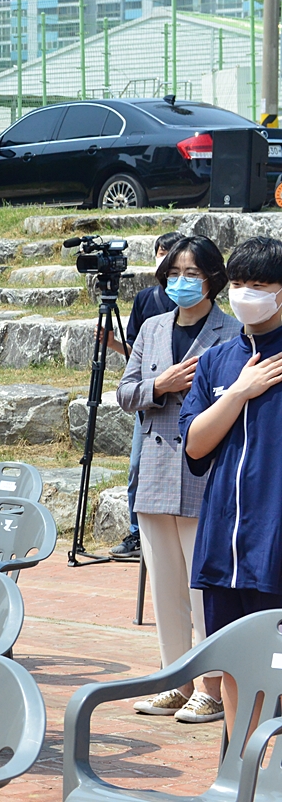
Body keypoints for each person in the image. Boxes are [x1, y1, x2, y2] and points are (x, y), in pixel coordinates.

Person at [116, 235, 237, 725]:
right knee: (164, 584)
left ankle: (211, 684)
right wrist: (157, 387)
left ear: (212, 280)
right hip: (154, 471)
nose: (181, 283)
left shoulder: (231, 332)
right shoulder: (151, 326)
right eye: (173, 274)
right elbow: (125, 392)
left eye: (192, 275)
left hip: (204, 473)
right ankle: (174, 678)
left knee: (201, 588)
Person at [180, 236, 282, 728]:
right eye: (239, 283)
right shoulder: (219, 361)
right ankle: (239, 769)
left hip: (275, 540)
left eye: (260, 285)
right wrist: (239, 393)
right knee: (235, 666)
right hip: (225, 542)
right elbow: (196, 445)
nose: (246, 294)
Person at [108, 230, 183, 561]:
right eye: (161, 252)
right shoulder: (146, 300)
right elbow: (134, 356)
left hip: (186, 400)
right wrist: (111, 344)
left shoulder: (196, 301)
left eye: (171, 252)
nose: (164, 258)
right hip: (151, 401)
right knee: (138, 467)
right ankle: (138, 533)